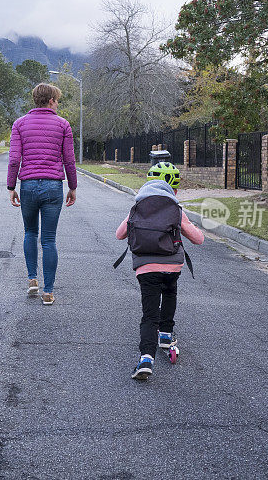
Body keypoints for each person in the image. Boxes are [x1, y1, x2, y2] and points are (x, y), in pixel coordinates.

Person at [114, 162, 204, 380]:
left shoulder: (138, 206)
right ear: (172, 189)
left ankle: (146, 358)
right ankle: (165, 335)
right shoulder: (175, 209)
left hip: (145, 267)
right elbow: (198, 239)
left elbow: (119, 234)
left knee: (149, 314)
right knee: (170, 292)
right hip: (172, 265)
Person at [7, 83, 77, 305]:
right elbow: (69, 160)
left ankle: (32, 280)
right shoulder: (63, 125)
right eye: (57, 100)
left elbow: (13, 160)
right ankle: (48, 292)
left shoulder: (19, 124)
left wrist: (11, 187)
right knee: (48, 239)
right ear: (51, 101)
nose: (57, 104)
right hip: (53, 187)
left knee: (29, 232)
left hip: (27, 185)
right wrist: (72, 187)